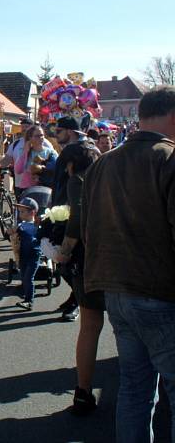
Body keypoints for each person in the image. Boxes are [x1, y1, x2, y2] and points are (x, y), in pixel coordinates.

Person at [82, 88, 175, 441]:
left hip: (116, 291)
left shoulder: (104, 162)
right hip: (159, 292)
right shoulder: (168, 159)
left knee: (135, 390)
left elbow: (89, 229)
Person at [53, 143, 103, 416]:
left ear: (71, 163)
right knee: (125, 328)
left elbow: (77, 219)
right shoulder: (106, 174)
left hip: (89, 258)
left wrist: (64, 250)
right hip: (116, 255)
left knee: (90, 325)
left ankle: (83, 391)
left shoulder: (77, 180)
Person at [51, 116, 94, 322]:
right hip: (63, 211)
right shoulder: (73, 151)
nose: (55, 134)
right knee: (63, 262)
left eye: (58, 131)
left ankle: (78, 302)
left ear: (70, 132)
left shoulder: (85, 151)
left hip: (74, 216)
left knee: (68, 261)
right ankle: (75, 297)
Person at [13, 197, 41, 311]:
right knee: (24, 277)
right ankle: (27, 293)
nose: (20, 214)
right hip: (23, 255)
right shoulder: (21, 225)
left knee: (29, 277)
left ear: (32, 212)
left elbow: (35, 238)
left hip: (33, 255)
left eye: (23, 212)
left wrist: (19, 231)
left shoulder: (36, 226)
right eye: (19, 212)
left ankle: (29, 301)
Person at [14, 124, 58, 194]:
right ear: (30, 138)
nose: (41, 138)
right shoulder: (24, 152)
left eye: (42, 135)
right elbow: (18, 170)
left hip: (45, 190)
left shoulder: (51, 152)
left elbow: (56, 169)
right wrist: (25, 152)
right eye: (37, 136)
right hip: (27, 190)